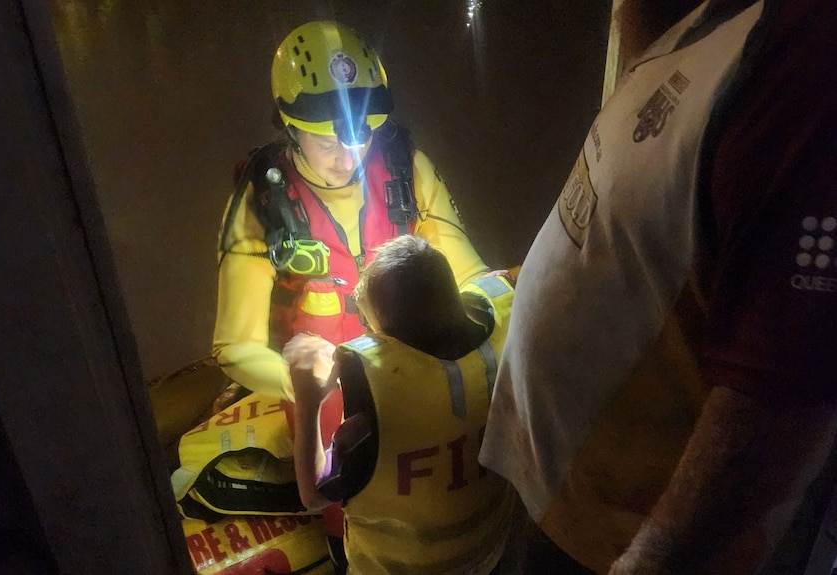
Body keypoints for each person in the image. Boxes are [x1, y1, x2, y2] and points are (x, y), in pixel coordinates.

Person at [479, 0, 837, 574]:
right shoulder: (702, 25)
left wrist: (652, 560)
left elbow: (778, 407)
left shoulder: (807, 54)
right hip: (561, 496)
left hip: (618, 543)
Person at [211, 19, 489, 571]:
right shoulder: (264, 204)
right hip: (331, 408)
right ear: (291, 126)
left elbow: (473, 277)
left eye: (362, 132)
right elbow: (232, 345)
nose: (349, 152)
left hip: (421, 392)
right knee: (347, 520)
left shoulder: (406, 169)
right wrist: (304, 385)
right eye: (326, 138)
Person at [283, 235, 516, 574]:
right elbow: (497, 283)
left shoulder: (373, 411)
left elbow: (315, 495)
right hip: (489, 552)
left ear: (387, 341)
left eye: (371, 326)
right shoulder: (505, 325)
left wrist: (308, 400)